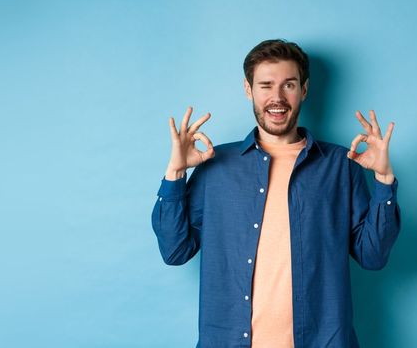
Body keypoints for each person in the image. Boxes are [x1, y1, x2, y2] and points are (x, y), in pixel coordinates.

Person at [151, 39, 401, 348]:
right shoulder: (215, 167)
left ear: (304, 90)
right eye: (266, 85)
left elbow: (373, 256)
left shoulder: (341, 165)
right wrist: (175, 173)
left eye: (289, 85)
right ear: (249, 89)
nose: (277, 97)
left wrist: (383, 179)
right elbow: (175, 251)